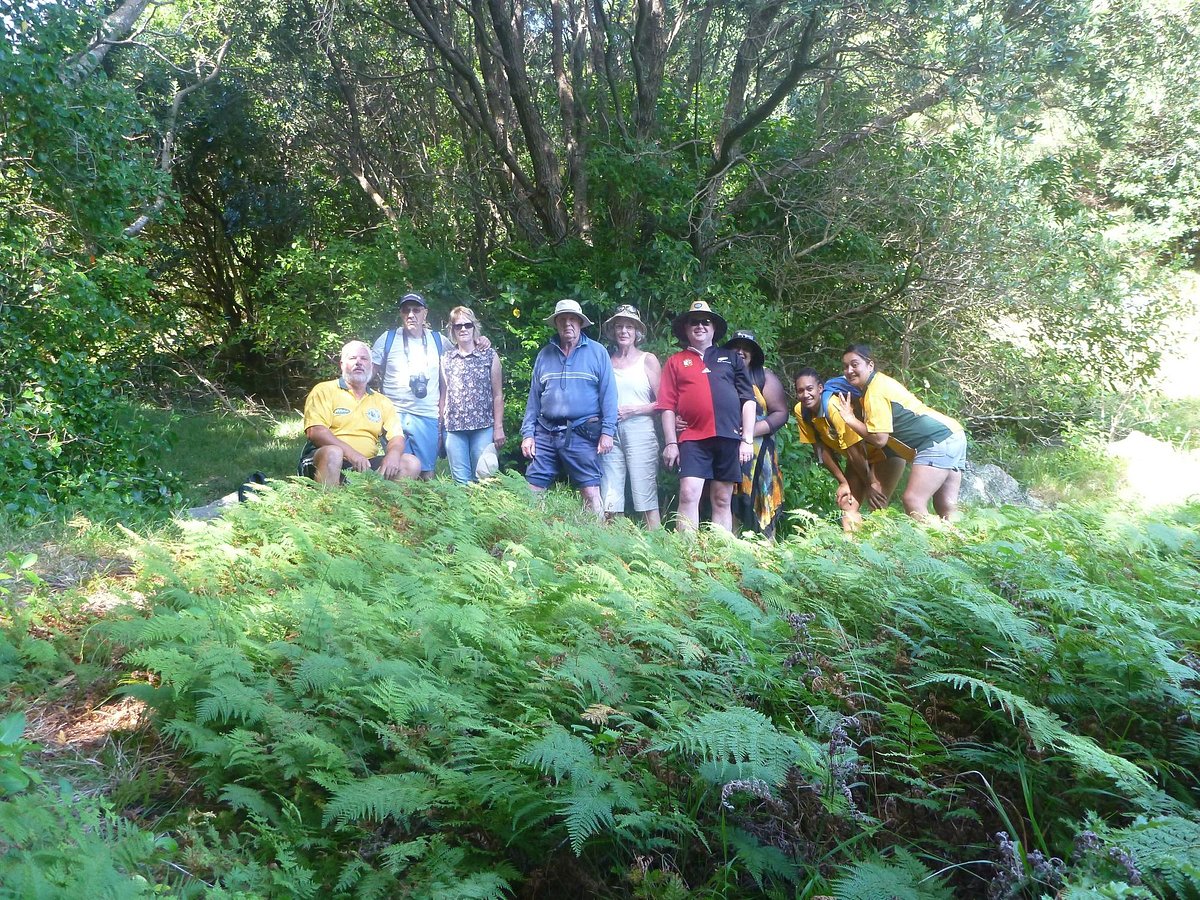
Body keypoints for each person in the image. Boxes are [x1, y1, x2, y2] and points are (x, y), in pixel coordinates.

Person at [836, 343, 967, 520]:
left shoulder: (874, 391)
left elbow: (880, 439)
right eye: (845, 366)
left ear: (870, 365)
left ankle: (935, 543)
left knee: (913, 500)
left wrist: (850, 419)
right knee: (945, 505)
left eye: (854, 364)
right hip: (954, 434)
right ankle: (959, 543)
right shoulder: (878, 384)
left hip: (937, 439)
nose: (849, 370)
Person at [657, 300, 756, 532]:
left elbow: (748, 400)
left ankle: (721, 555)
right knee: (688, 494)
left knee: (722, 499)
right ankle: (686, 555)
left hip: (728, 438)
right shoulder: (675, 361)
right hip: (692, 439)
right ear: (686, 328)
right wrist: (671, 442)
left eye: (705, 321)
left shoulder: (731, 358)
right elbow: (667, 405)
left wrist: (747, 440)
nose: (700, 326)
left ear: (713, 328)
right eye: (694, 322)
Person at [520, 298, 618, 516]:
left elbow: (609, 395)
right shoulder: (544, 354)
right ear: (555, 323)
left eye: (572, 319)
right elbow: (534, 399)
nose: (567, 324)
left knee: (590, 490)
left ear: (581, 323)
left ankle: (595, 538)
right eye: (562, 319)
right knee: (533, 489)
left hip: (582, 431)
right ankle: (532, 537)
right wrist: (528, 434)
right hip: (545, 432)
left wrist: (607, 432)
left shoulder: (597, 352)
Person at [793, 367, 907, 531]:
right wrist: (843, 482)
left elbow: (855, 451)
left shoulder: (834, 407)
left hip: (885, 452)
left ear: (820, 388)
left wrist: (870, 484)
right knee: (847, 503)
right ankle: (852, 550)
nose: (805, 395)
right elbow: (821, 450)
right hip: (859, 459)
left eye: (809, 389)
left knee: (877, 503)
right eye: (800, 391)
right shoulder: (801, 411)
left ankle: (886, 547)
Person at [299, 341, 421, 485]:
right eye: (352, 358)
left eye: (364, 359)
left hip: (365, 464)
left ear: (371, 365)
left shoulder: (381, 401)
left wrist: (393, 455)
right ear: (342, 364)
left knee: (410, 462)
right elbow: (316, 432)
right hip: (324, 458)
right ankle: (328, 505)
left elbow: (397, 437)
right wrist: (351, 454)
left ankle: (383, 506)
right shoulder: (324, 390)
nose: (358, 362)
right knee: (334, 453)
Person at [599, 305, 663, 529]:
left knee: (644, 494)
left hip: (641, 430)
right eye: (619, 326)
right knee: (610, 494)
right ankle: (609, 551)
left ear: (637, 332)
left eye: (629, 326)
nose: (624, 331)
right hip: (610, 433)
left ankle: (657, 549)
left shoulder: (648, 360)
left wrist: (633, 410)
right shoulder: (606, 360)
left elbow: (664, 402)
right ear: (613, 330)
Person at [371, 292, 445, 480]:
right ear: (401, 313)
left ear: (425, 313)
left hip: (427, 415)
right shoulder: (387, 339)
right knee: (401, 467)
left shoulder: (439, 341)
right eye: (406, 310)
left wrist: (480, 341)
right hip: (394, 416)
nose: (411, 314)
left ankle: (427, 508)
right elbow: (366, 374)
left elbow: (463, 353)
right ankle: (398, 508)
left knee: (427, 472)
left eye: (416, 310)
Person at [723, 330, 788, 538]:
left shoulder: (763, 375)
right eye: (736, 347)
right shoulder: (721, 373)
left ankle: (767, 553)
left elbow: (780, 413)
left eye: (746, 348)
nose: (741, 352)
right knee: (729, 498)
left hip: (760, 451)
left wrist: (751, 431)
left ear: (753, 353)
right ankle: (730, 547)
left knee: (764, 498)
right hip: (728, 448)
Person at [442, 305, 505, 483]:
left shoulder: (489, 355)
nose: (463, 329)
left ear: (474, 327)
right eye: (458, 326)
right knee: (461, 482)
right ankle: (464, 512)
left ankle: (485, 511)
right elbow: (444, 395)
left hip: (483, 426)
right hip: (454, 428)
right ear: (452, 330)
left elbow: (498, 395)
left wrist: (498, 427)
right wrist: (440, 428)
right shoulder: (446, 359)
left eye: (467, 325)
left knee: (484, 477)